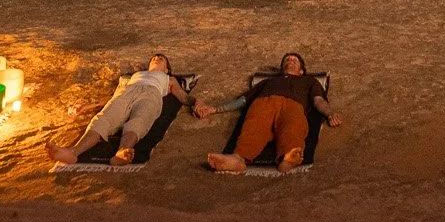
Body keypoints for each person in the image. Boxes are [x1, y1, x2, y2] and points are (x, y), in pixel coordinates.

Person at [47, 53, 209, 165]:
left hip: (151, 94)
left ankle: (122, 153)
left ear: (166, 69)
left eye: (161, 59)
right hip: (127, 92)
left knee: (138, 121)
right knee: (103, 119)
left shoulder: (168, 78)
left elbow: (182, 96)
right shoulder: (133, 76)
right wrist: (87, 106)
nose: (157, 59)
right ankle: (73, 153)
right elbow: (113, 97)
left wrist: (196, 102)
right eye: (154, 58)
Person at [206, 51, 342, 174]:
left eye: (295, 60)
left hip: (293, 105)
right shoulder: (268, 82)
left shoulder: (309, 81)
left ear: (301, 71)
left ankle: (288, 159)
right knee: (253, 126)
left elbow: (318, 100)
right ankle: (238, 159)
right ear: (282, 68)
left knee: (293, 125)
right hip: (264, 102)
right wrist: (215, 109)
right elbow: (242, 100)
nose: (290, 60)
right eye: (287, 59)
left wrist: (330, 114)